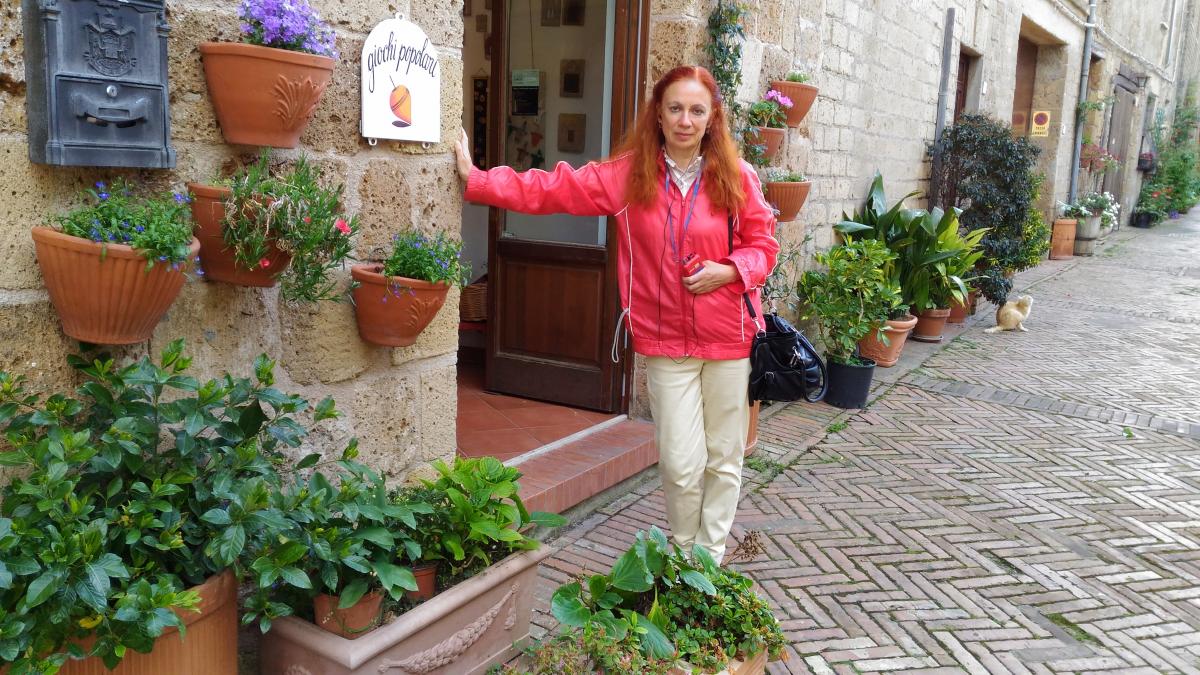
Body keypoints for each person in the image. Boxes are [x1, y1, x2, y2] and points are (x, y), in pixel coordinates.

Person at [453, 65, 779, 562]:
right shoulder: (631, 175)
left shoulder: (738, 176)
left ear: (713, 118)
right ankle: (685, 555)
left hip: (728, 340)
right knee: (680, 464)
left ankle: (706, 565)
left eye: (696, 110)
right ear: (658, 114)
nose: (685, 120)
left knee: (724, 460)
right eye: (675, 108)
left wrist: (730, 270)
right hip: (665, 341)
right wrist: (479, 181)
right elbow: (554, 188)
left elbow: (764, 246)